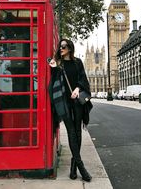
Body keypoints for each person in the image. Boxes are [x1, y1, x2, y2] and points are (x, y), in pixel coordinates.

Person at [48, 38, 92, 182]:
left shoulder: (77, 62)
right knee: (71, 132)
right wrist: (54, 68)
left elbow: (83, 79)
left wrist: (78, 89)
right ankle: (81, 167)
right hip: (64, 103)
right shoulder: (57, 63)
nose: (61, 48)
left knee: (78, 133)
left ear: (70, 48)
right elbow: (53, 85)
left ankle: (73, 167)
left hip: (77, 102)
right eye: (60, 47)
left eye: (64, 46)